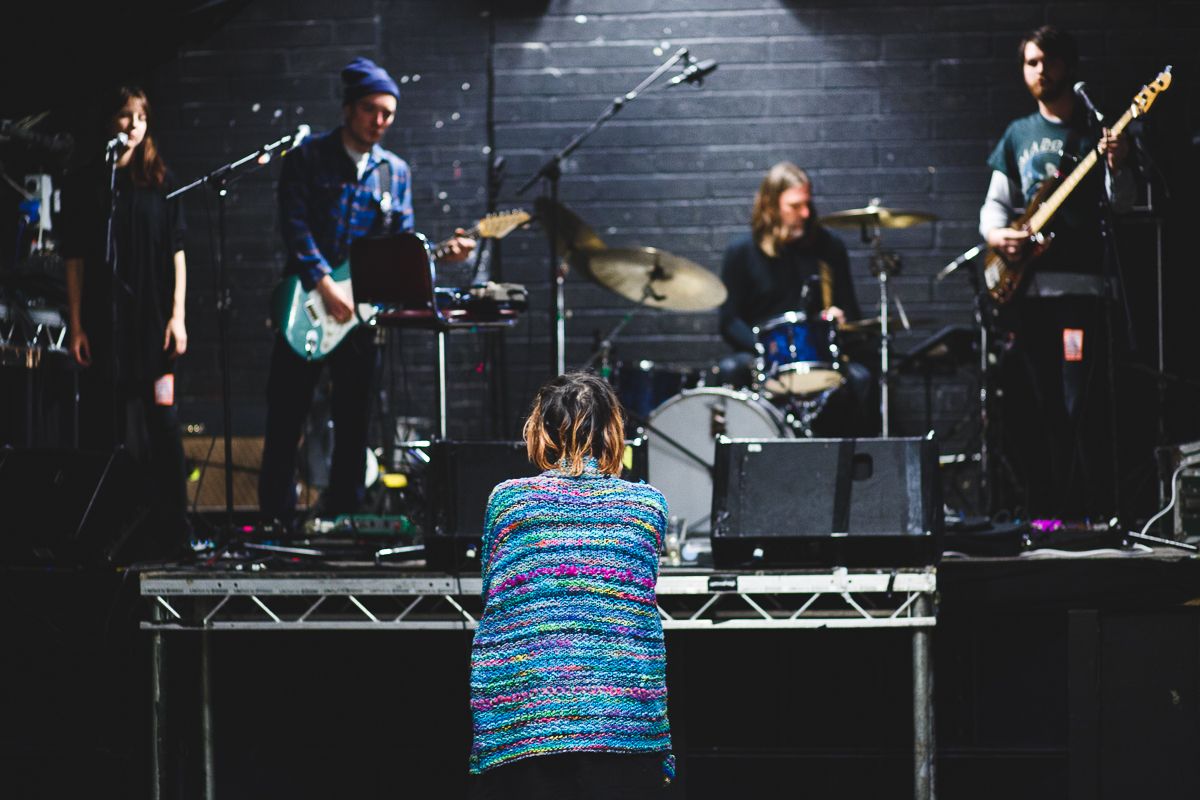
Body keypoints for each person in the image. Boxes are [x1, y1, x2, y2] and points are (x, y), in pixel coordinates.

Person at [258, 57, 474, 525]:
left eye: (388, 114)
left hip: (360, 317)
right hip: (305, 304)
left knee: (355, 424)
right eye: (371, 110)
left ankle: (345, 521)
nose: (380, 121)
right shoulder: (307, 157)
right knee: (286, 418)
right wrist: (324, 283)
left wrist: (440, 255)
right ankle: (276, 523)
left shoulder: (395, 172)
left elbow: (401, 245)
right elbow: (294, 226)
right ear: (348, 108)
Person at [469, 372, 673, 799]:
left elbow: (494, 594)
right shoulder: (647, 506)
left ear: (541, 432)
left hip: (525, 720)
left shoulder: (508, 502)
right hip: (622, 721)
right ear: (613, 434)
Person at [980, 25, 1133, 518]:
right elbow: (994, 206)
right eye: (1031, 62)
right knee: (1041, 405)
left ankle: (1095, 511)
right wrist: (997, 237)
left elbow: (1122, 204)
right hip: (1029, 295)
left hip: (1082, 294)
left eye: (1047, 61)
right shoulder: (1018, 134)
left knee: (1081, 402)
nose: (1039, 71)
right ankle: (1050, 513)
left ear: (1068, 66)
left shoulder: (1095, 133)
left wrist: (1118, 165)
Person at [61, 85, 189, 541]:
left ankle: (175, 527)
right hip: (103, 321)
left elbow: (177, 253)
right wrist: (77, 324)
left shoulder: (161, 180)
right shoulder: (84, 183)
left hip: (152, 321)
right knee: (102, 425)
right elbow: (74, 258)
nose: (134, 126)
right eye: (124, 116)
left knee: (164, 425)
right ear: (108, 121)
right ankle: (104, 529)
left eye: (141, 117)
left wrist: (178, 316)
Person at [718, 162, 873, 434]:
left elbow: (852, 313)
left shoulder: (829, 247)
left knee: (862, 377)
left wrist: (839, 320)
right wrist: (767, 349)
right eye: (795, 206)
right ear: (770, 205)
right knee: (730, 369)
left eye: (807, 204)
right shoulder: (741, 251)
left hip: (818, 355)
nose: (805, 213)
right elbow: (729, 321)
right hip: (763, 356)